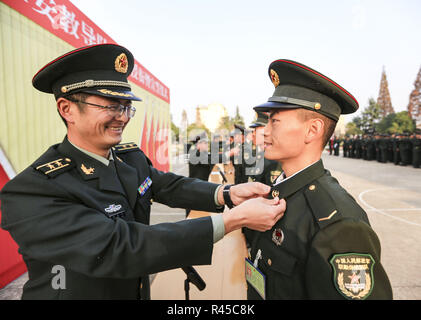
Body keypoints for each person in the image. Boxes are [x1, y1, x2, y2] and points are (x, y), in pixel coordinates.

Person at [0, 44, 286, 300]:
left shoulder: (129, 159)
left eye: (126, 106)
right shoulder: (34, 190)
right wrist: (230, 221)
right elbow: (120, 246)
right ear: (67, 109)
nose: (122, 117)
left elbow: (167, 186)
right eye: (111, 106)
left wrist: (227, 193)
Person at [244, 59, 392, 300]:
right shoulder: (280, 192)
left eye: (275, 121)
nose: (266, 131)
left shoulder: (337, 223)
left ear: (312, 130)